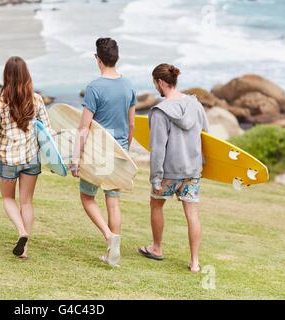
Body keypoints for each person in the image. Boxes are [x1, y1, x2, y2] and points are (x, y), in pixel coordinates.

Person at [71, 38, 137, 266]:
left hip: (97, 153)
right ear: (116, 58)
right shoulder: (128, 85)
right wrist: (125, 149)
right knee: (113, 201)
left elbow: (83, 128)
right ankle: (112, 253)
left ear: (97, 59)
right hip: (120, 151)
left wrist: (75, 158)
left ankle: (109, 237)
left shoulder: (94, 87)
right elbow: (131, 124)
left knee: (87, 196)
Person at [138, 63, 209, 273]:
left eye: (155, 84)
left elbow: (158, 148)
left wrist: (155, 178)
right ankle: (195, 262)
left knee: (156, 205)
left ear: (160, 82)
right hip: (192, 171)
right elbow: (206, 135)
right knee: (192, 214)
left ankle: (157, 248)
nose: (155, 88)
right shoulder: (195, 104)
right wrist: (202, 164)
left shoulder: (160, 111)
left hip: (169, 172)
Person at [0, 56, 51, 259]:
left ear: (6, 76)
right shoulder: (36, 99)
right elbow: (47, 130)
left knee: (8, 198)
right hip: (31, 158)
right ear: (26, 75)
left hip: (8, 159)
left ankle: (21, 232)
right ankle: (25, 247)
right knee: (27, 202)